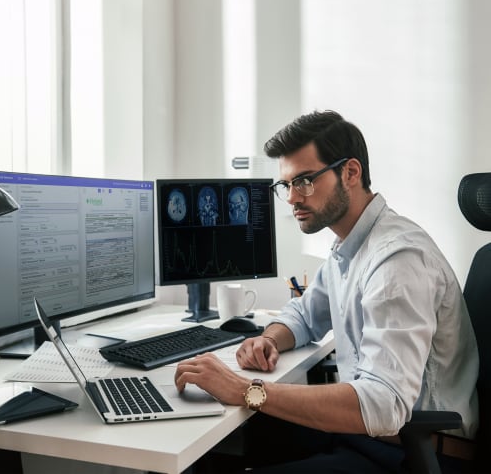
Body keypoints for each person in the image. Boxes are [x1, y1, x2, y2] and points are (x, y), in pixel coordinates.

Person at [174, 110, 479, 473]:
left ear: (350, 173)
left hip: (415, 454)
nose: (291, 198)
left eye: (303, 181)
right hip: (368, 436)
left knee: (240, 426)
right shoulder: (348, 247)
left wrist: (246, 390)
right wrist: (269, 339)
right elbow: (303, 315)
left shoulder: (397, 260)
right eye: (285, 186)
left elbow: (383, 406)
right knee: (220, 446)